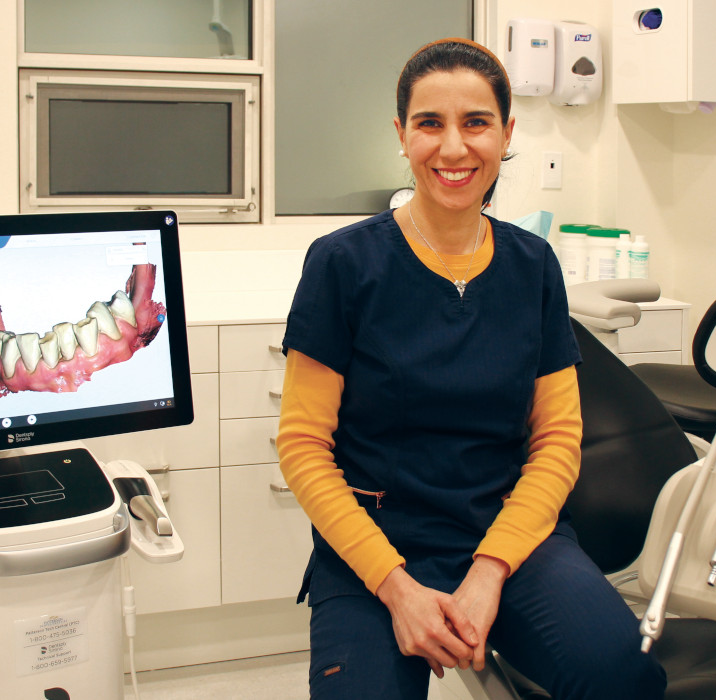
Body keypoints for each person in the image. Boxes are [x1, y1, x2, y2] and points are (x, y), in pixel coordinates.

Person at [276, 38, 666, 700]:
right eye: (430, 124)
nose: (453, 149)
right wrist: (395, 587)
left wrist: (490, 571)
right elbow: (303, 448)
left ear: (506, 133)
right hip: (375, 541)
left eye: (475, 123)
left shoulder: (532, 266)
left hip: (507, 534)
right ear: (402, 135)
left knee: (621, 676)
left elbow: (556, 443)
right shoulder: (344, 264)